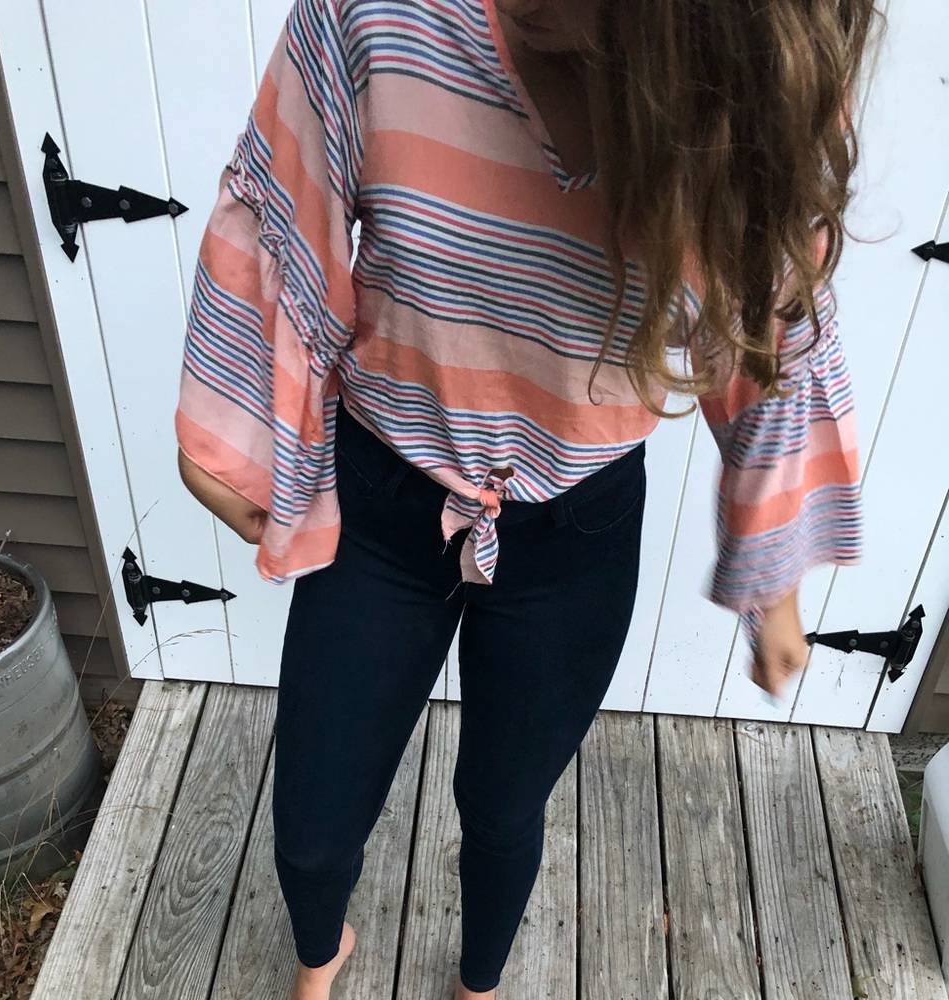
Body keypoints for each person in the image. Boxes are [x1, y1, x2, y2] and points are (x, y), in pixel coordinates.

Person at [175, 0, 876, 996]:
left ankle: (479, 983)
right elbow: (289, 206)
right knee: (313, 825)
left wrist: (776, 583)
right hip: (384, 503)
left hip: (576, 532)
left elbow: (767, 331)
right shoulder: (380, 17)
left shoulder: (765, 81)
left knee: (504, 812)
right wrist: (232, 430)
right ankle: (321, 956)